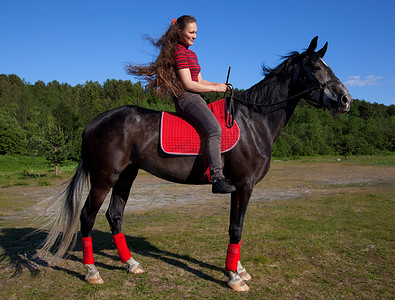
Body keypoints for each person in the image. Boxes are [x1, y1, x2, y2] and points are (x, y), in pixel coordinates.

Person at [126, 15, 236, 194]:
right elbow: (189, 84)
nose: (195, 36)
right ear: (179, 32)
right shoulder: (178, 52)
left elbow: (199, 79)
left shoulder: (191, 54)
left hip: (196, 97)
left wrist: (220, 85)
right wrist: (216, 89)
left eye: (196, 33)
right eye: (191, 32)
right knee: (214, 129)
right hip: (186, 98)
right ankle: (217, 177)